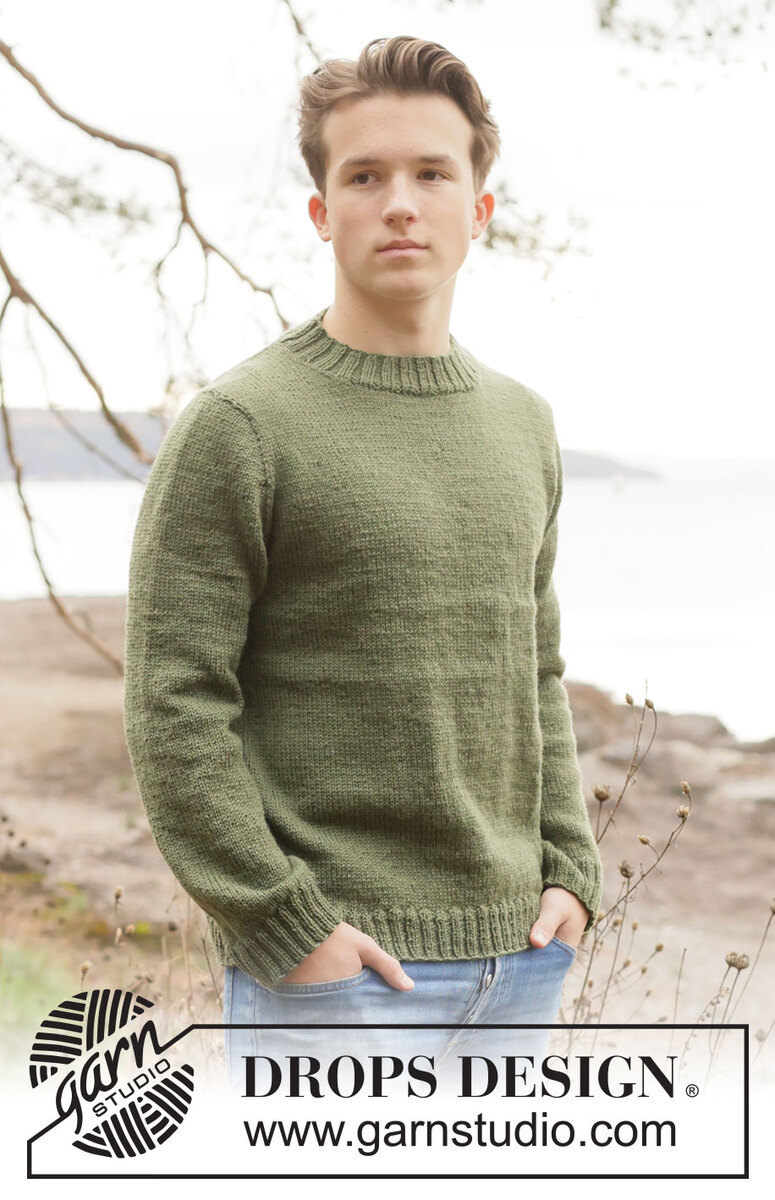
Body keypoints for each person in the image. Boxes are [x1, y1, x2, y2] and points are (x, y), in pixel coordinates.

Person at [123, 34, 604, 1096]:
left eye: (432, 174)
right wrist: (283, 925)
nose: (399, 204)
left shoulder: (523, 425)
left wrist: (570, 868)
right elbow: (173, 701)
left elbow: (534, 671)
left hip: (518, 969)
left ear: (479, 209)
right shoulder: (240, 426)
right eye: (364, 176)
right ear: (320, 211)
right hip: (334, 982)